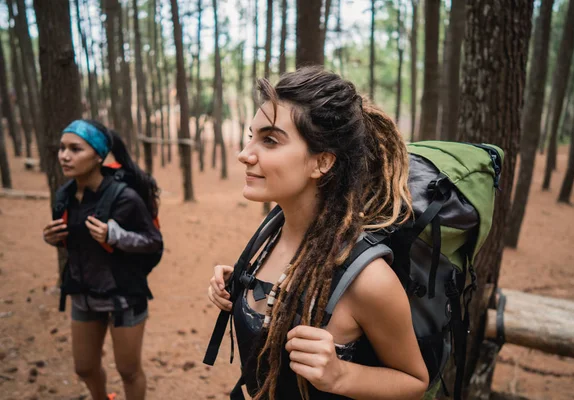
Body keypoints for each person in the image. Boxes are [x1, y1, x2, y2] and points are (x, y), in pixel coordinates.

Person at [207, 67, 429, 399]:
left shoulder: (369, 280)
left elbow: (414, 381)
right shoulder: (270, 236)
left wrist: (341, 375)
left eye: (269, 140)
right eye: (251, 135)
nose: (245, 153)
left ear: (321, 162)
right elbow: (278, 299)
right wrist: (239, 288)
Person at [42, 120, 163, 400]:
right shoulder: (64, 195)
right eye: (62, 148)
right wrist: (54, 238)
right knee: (84, 368)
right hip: (83, 295)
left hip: (124, 297)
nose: (64, 156)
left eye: (75, 149)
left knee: (129, 371)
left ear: (98, 155)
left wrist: (114, 235)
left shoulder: (126, 197)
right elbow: (75, 242)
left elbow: (154, 242)